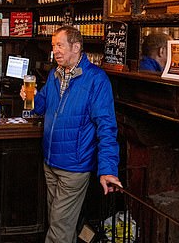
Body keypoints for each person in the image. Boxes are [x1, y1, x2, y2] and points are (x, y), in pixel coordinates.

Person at [20, 26, 122, 243]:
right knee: (60, 224)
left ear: (76, 47)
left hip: (74, 165)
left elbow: (107, 127)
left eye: (59, 45)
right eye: (53, 46)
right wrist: (31, 96)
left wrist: (108, 169)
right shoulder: (55, 74)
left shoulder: (96, 79)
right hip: (51, 161)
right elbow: (42, 107)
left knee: (59, 228)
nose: (54, 50)